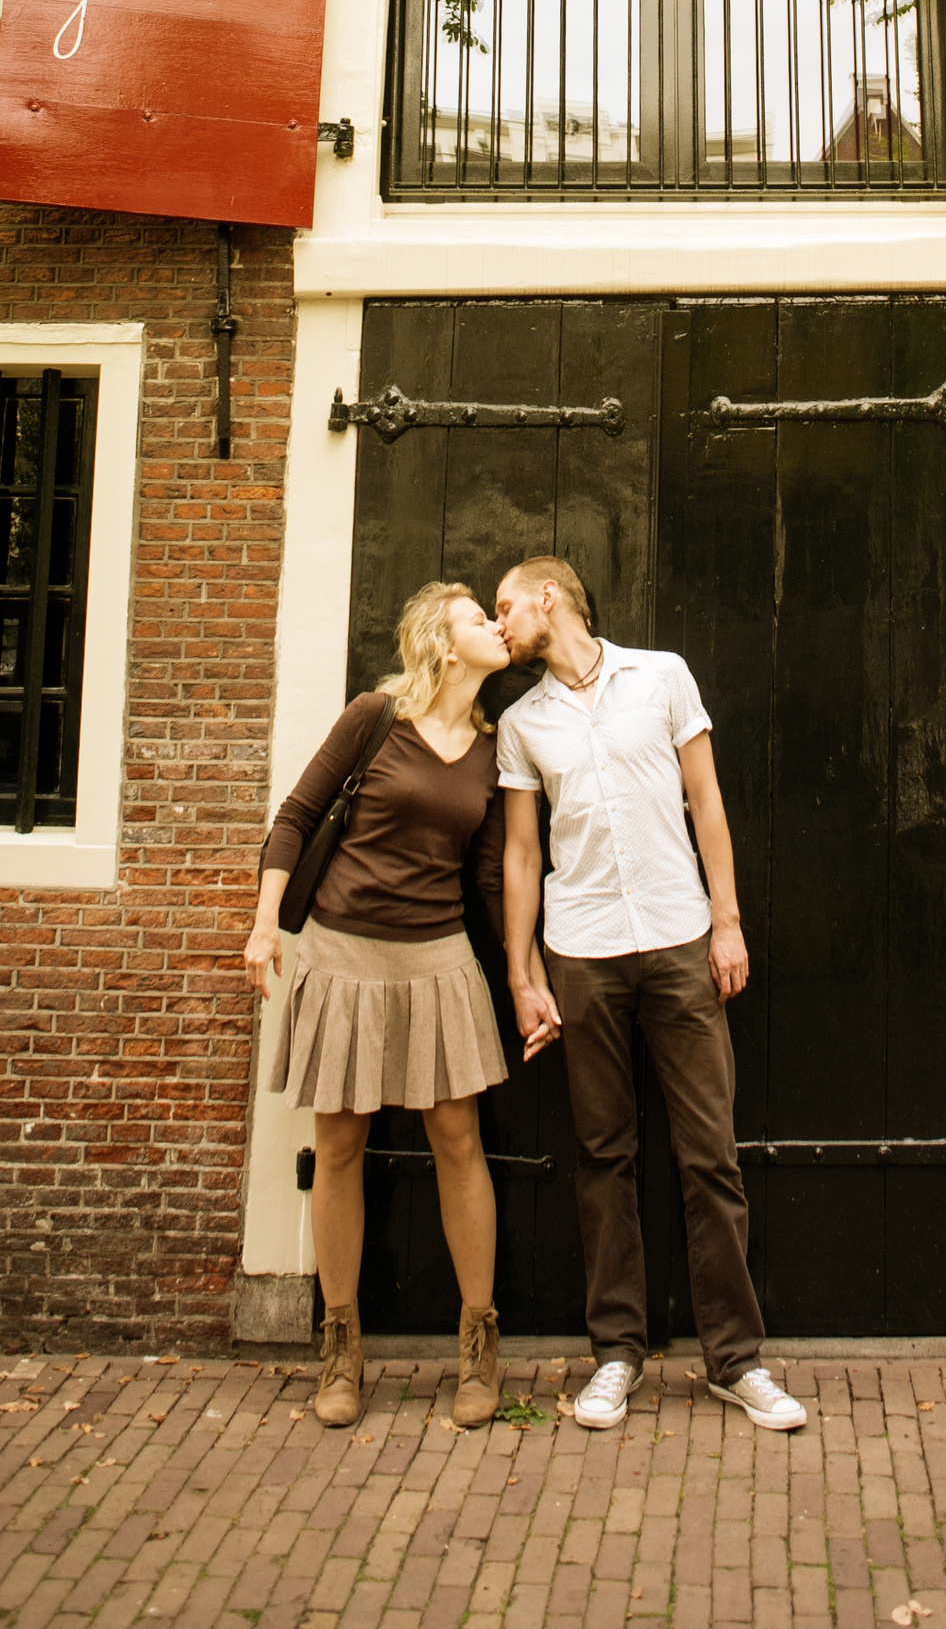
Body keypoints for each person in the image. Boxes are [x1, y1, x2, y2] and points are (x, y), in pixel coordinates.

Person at [493, 555, 807, 1434]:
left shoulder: (662, 677)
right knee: (604, 1155)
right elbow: (522, 855)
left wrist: (728, 920)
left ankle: (736, 1362)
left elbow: (706, 802)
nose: (500, 622)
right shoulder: (522, 724)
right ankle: (617, 1355)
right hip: (583, 952)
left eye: (507, 606)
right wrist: (523, 975)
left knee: (710, 1153)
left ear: (548, 596)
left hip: (677, 937)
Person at [245, 581, 521, 1431]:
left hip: (438, 955)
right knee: (339, 1143)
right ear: (442, 639)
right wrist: (264, 928)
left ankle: (477, 1349)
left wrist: (520, 970)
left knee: (458, 1138)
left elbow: (486, 873)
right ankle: (340, 1350)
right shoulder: (375, 717)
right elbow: (294, 818)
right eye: (481, 617)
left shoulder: (492, 747)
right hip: (343, 951)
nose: (497, 625)